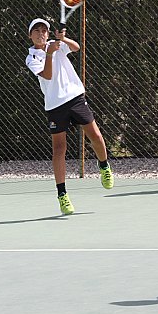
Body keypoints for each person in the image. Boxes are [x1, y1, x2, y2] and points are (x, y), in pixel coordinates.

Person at [25, 18, 114, 215]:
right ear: (30, 36)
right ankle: (62, 195)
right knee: (59, 149)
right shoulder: (31, 57)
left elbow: (76, 48)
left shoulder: (55, 44)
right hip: (55, 107)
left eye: (44, 30)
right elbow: (47, 75)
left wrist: (63, 40)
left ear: (48, 33)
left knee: (96, 137)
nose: (41, 34)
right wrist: (49, 53)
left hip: (74, 97)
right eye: (36, 31)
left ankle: (104, 166)